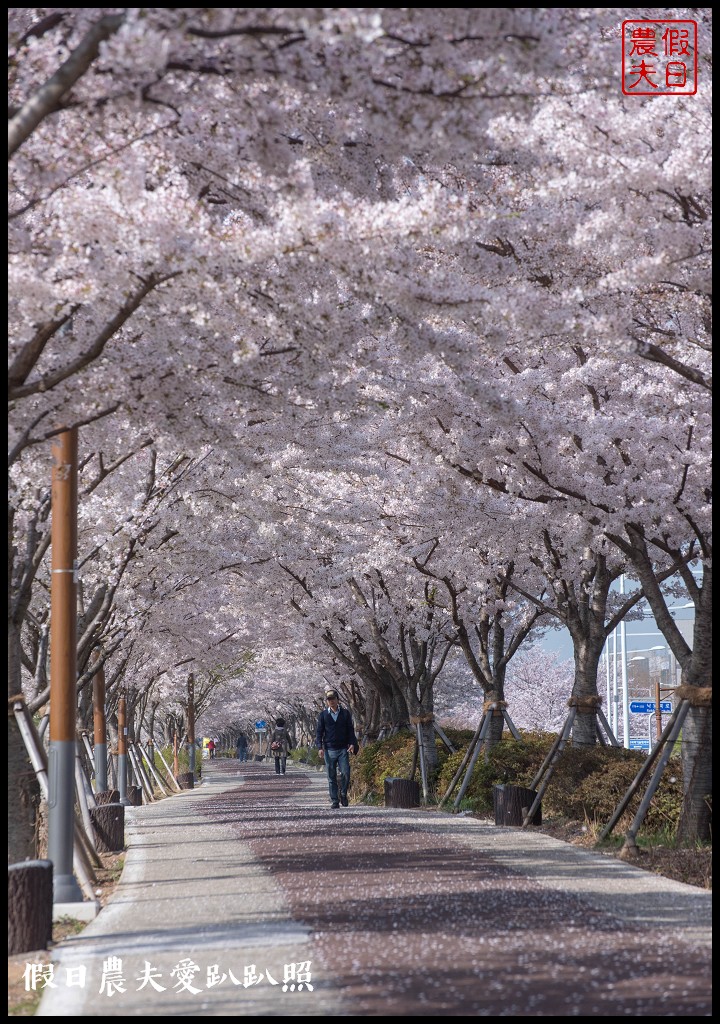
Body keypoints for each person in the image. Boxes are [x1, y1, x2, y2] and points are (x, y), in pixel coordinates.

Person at [315, 688, 359, 808]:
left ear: (337, 700)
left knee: (345, 772)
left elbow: (350, 730)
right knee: (331, 776)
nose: (331, 702)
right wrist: (320, 747)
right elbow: (319, 732)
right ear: (327, 702)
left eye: (333, 699)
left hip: (343, 749)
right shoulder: (323, 715)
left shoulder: (345, 713)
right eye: (329, 700)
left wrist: (352, 743)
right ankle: (335, 800)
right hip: (329, 750)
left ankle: (343, 793)